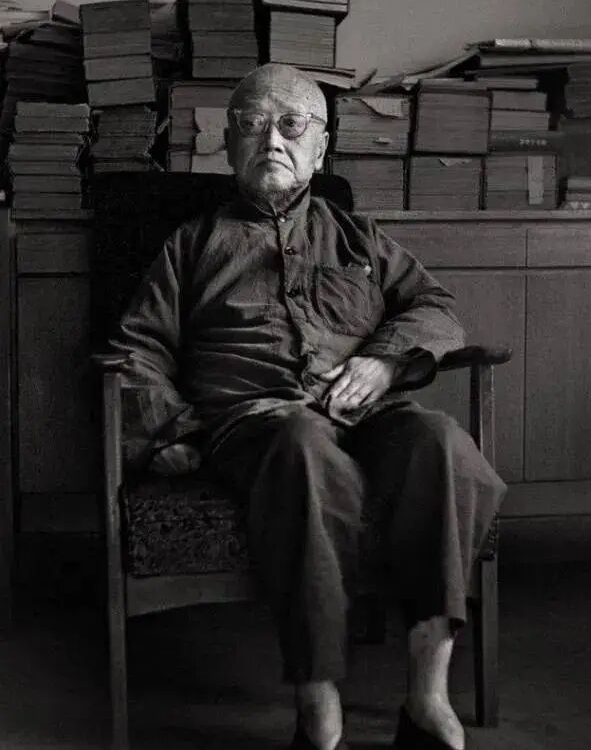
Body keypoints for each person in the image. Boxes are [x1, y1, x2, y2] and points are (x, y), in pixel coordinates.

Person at [112, 63, 506, 750]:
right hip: (258, 421)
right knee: (302, 444)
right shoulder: (191, 245)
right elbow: (134, 349)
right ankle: (319, 704)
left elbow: (435, 308)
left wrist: (385, 361)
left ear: (320, 148)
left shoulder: (357, 237)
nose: (272, 138)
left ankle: (427, 694)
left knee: (441, 441)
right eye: (253, 123)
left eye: (292, 124)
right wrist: (167, 431)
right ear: (230, 144)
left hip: (367, 414)